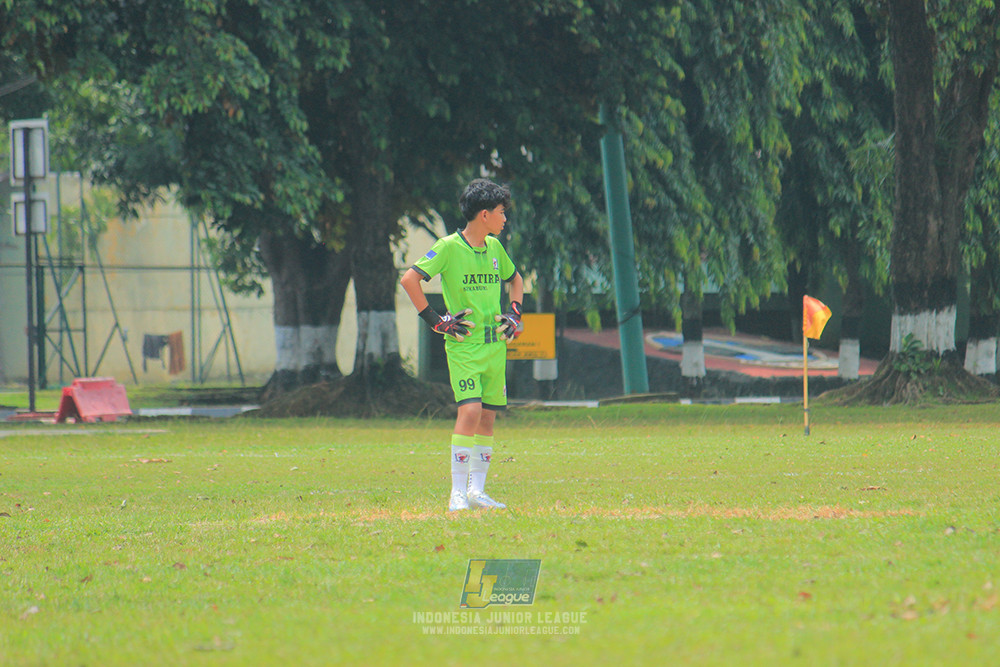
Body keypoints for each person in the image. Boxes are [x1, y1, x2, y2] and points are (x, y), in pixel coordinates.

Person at [400, 178, 524, 512]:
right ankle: (456, 493)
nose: (504, 218)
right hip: (465, 347)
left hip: (495, 346)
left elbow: (516, 281)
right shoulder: (448, 247)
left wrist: (515, 315)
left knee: (487, 418)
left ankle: (477, 492)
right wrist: (436, 321)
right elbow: (409, 279)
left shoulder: (495, 248)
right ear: (484, 214)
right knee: (469, 411)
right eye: (501, 212)